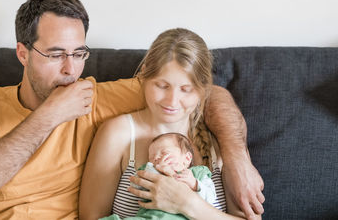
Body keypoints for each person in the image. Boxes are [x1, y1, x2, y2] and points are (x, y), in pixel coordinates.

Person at [0, 0, 263, 220]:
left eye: (79, 53)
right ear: (23, 53)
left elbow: (204, 93)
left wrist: (236, 156)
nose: (70, 70)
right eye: (56, 54)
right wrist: (51, 115)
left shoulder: (98, 96)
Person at [79, 28, 262, 219]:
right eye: (162, 86)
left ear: (203, 89)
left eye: (186, 89)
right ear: (144, 75)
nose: (172, 101)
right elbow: (90, 218)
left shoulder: (221, 140)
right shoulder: (118, 134)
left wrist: (186, 203)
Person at [101, 132, 217, 220]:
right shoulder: (149, 170)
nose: (157, 158)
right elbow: (135, 187)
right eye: (152, 157)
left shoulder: (198, 174)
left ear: (187, 158)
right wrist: (150, 171)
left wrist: (194, 184)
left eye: (164, 153)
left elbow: (211, 198)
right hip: (149, 217)